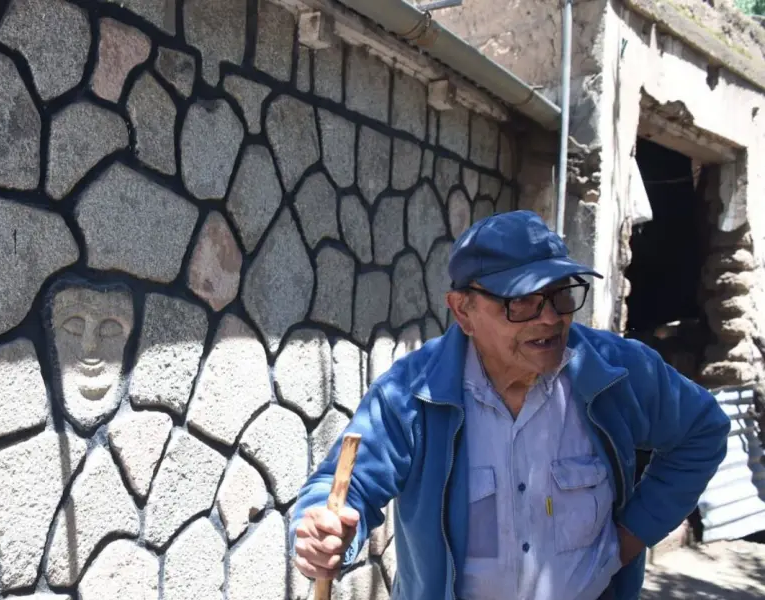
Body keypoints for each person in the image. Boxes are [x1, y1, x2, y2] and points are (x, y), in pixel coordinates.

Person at [290, 210, 730, 600]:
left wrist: (630, 538)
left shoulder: (617, 372)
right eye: (521, 301)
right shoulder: (412, 394)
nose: (551, 317)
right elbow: (343, 487)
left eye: (560, 293)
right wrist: (321, 533)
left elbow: (704, 429)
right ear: (463, 311)